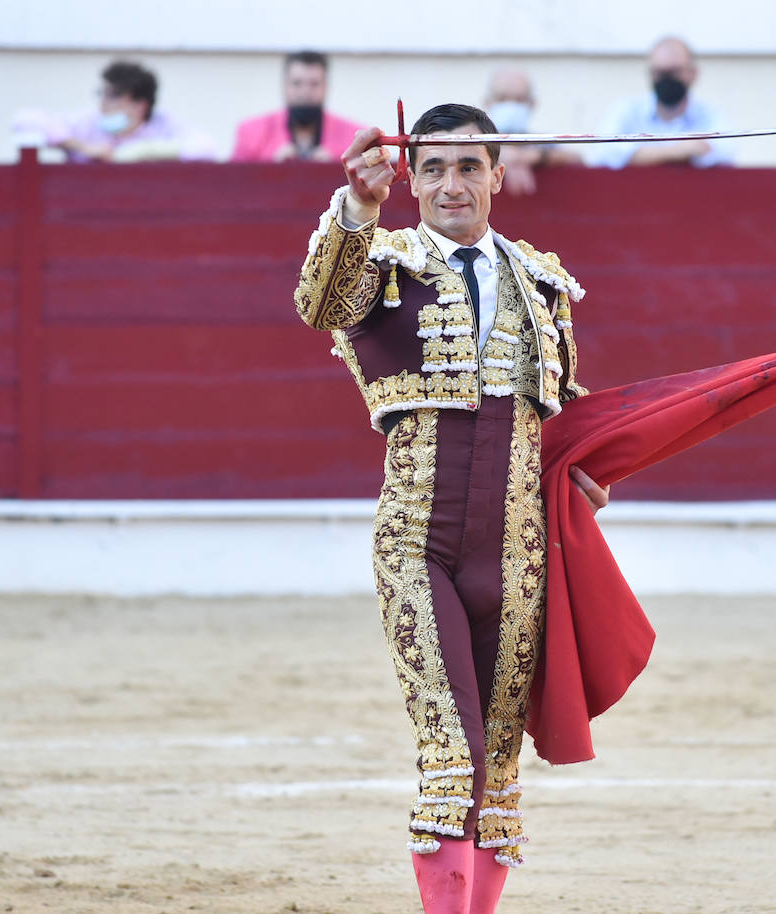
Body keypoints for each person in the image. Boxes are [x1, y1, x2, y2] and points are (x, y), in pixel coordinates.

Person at [292, 103, 609, 914]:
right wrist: (357, 206)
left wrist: (587, 479)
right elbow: (320, 304)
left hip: (518, 551)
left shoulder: (542, 281)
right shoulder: (382, 262)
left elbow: (564, 412)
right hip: (416, 543)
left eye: (469, 166)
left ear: (498, 177)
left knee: (497, 770)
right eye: (432, 166)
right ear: (411, 177)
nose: (451, 183)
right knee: (451, 756)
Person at [20, 60, 213, 162]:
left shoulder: (162, 124)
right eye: (102, 94)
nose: (103, 103)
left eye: (113, 96)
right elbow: (24, 120)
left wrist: (140, 152)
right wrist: (83, 147)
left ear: (140, 105)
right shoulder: (88, 122)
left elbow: (206, 148)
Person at [591, 35, 735, 169]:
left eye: (674, 72)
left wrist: (640, 156)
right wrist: (675, 152)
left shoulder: (711, 115)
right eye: (660, 73)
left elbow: (724, 154)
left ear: (693, 73)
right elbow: (601, 153)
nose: (667, 80)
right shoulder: (626, 111)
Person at [231, 51, 365, 162]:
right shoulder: (251, 132)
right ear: (284, 86)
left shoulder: (355, 137)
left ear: (326, 87)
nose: (305, 92)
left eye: (314, 84)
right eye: (297, 83)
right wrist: (270, 169)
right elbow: (236, 184)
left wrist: (334, 170)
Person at [482, 67, 583, 195]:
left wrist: (534, 157)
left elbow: (577, 159)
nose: (511, 105)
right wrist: (500, 155)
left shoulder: (541, 142)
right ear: (488, 102)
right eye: (502, 98)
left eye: (519, 99)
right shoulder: (474, 140)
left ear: (531, 104)